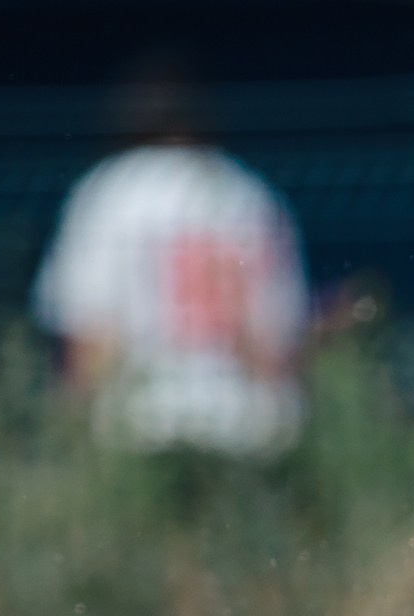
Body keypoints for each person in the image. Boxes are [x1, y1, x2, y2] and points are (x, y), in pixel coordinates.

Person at [33, 68, 308, 456]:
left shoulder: (110, 191)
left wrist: (71, 435)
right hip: (248, 425)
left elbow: (91, 336)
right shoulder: (248, 195)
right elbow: (273, 343)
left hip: (140, 422)